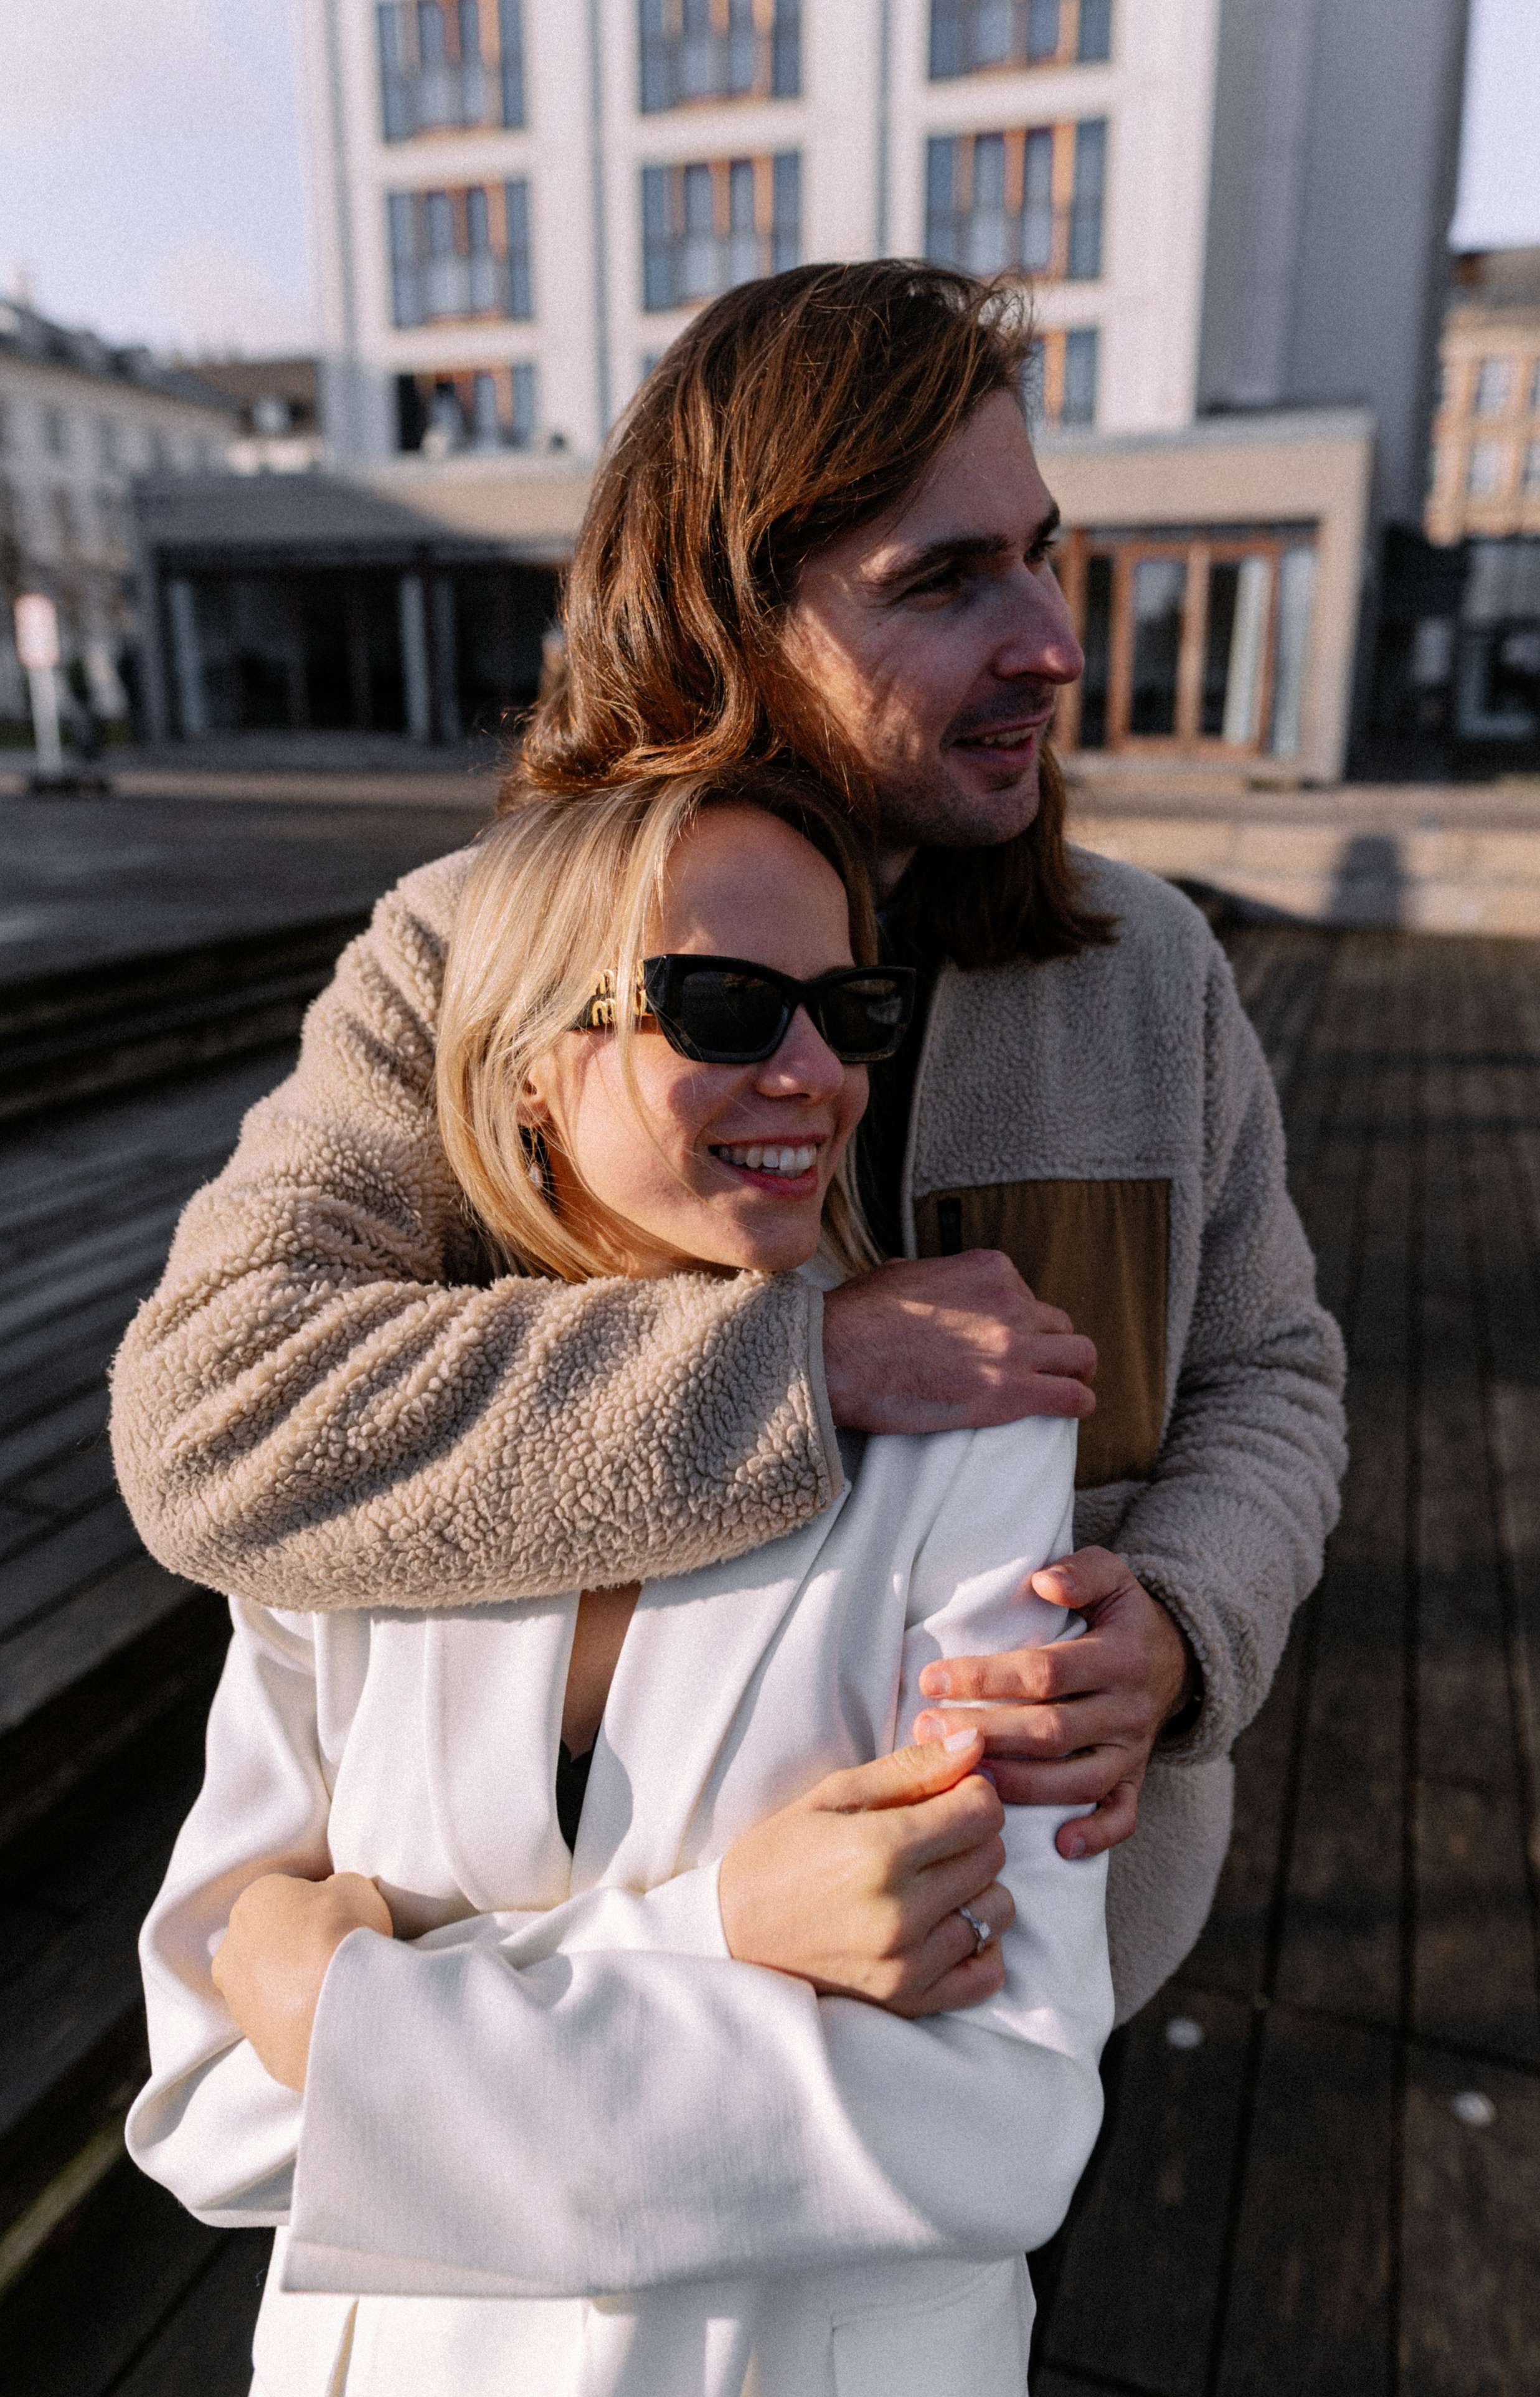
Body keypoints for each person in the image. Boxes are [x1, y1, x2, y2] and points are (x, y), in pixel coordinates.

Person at [110, 262, 1346, 2032]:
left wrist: (1183, 1621)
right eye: (945, 580)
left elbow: (1271, 1370)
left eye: (1039, 550)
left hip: (1052, 1972)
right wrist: (806, 1361)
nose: (1053, 641)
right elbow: (209, 1417)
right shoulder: (466, 960)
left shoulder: (1147, 970)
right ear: (724, 614)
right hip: (600, 2010)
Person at [130, 773, 1115, 2396]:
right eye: (723, 1007)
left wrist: (354, 2018)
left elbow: (998, 2124)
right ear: (529, 1070)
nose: (814, 1072)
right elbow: (206, 2104)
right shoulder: (378, 1473)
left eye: (845, 1009)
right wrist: (730, 1937)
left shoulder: (977, 1434)